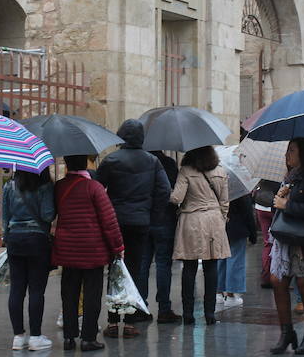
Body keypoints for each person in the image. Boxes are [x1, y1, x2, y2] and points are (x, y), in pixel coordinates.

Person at [96, 119, 171, 338]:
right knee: (135, 269)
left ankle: (112, 320)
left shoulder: (111, 160)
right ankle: (130, 321)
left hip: (115, 222)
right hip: (140, 222)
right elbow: (164, 190)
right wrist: (152, 214)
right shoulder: (152, 161)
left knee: (115, 269)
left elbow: (98, 190)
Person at [52, 154, 124, 352]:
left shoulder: (59, 187)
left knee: (69, 294)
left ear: (66, 164)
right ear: (86, 164)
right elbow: (109, 221)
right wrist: (118, 247)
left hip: (67, 250)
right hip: (93, 251)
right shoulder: (95, 187)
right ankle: (88, 338)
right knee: (92, 295)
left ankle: (69, 337)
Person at [268, 137, 304, 356]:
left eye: (292, 150)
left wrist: (287, 204)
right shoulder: (289, 179)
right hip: (285, 241)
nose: (287, 154)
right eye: (287, 150)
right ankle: (286, 332)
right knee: (277, 281)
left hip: (303, 242)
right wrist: (280, 199)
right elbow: (279, 211)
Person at [170, 145, 231, 325]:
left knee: (189, 268)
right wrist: (221, 220)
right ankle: (210, 314)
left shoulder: (186, 171)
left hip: (192, 220)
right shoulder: (220, 171)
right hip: (214, 221)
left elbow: (176, 198)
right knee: (211, 267)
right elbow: (225, 202)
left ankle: (188, 313)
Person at [1, 169, 56, 352]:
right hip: (37, 240)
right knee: (36, 290)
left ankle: (18, 337)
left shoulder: (10, 185)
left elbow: (5, 218)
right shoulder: (45, 186)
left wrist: (8, 237)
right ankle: (35, 336)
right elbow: (48, 215)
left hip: (15, 239)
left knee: (16, 289)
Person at [138, 150, 182, 323]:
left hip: (143, 218)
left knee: (143, 263)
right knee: (163, 264)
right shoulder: (169, 163)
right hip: (164, 219)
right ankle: (164, 308)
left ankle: (141, 307)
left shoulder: (140, 163)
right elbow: (174, 192)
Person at [217, 192, 257, 309]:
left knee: (220, 260)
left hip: (219, 227)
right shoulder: (239, 192)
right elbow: (247, 213)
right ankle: (231, 295)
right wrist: (252, 234)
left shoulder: (214, 184)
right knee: (235, 261)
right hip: (236, 229)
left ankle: (218, 293)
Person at [254, 180, 281, 288]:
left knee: (267, 243)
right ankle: (277, 278)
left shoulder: (266, 167)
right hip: (275, 207)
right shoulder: (285, 170)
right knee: (279, 243)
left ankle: (266, 277)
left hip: (261, 205)